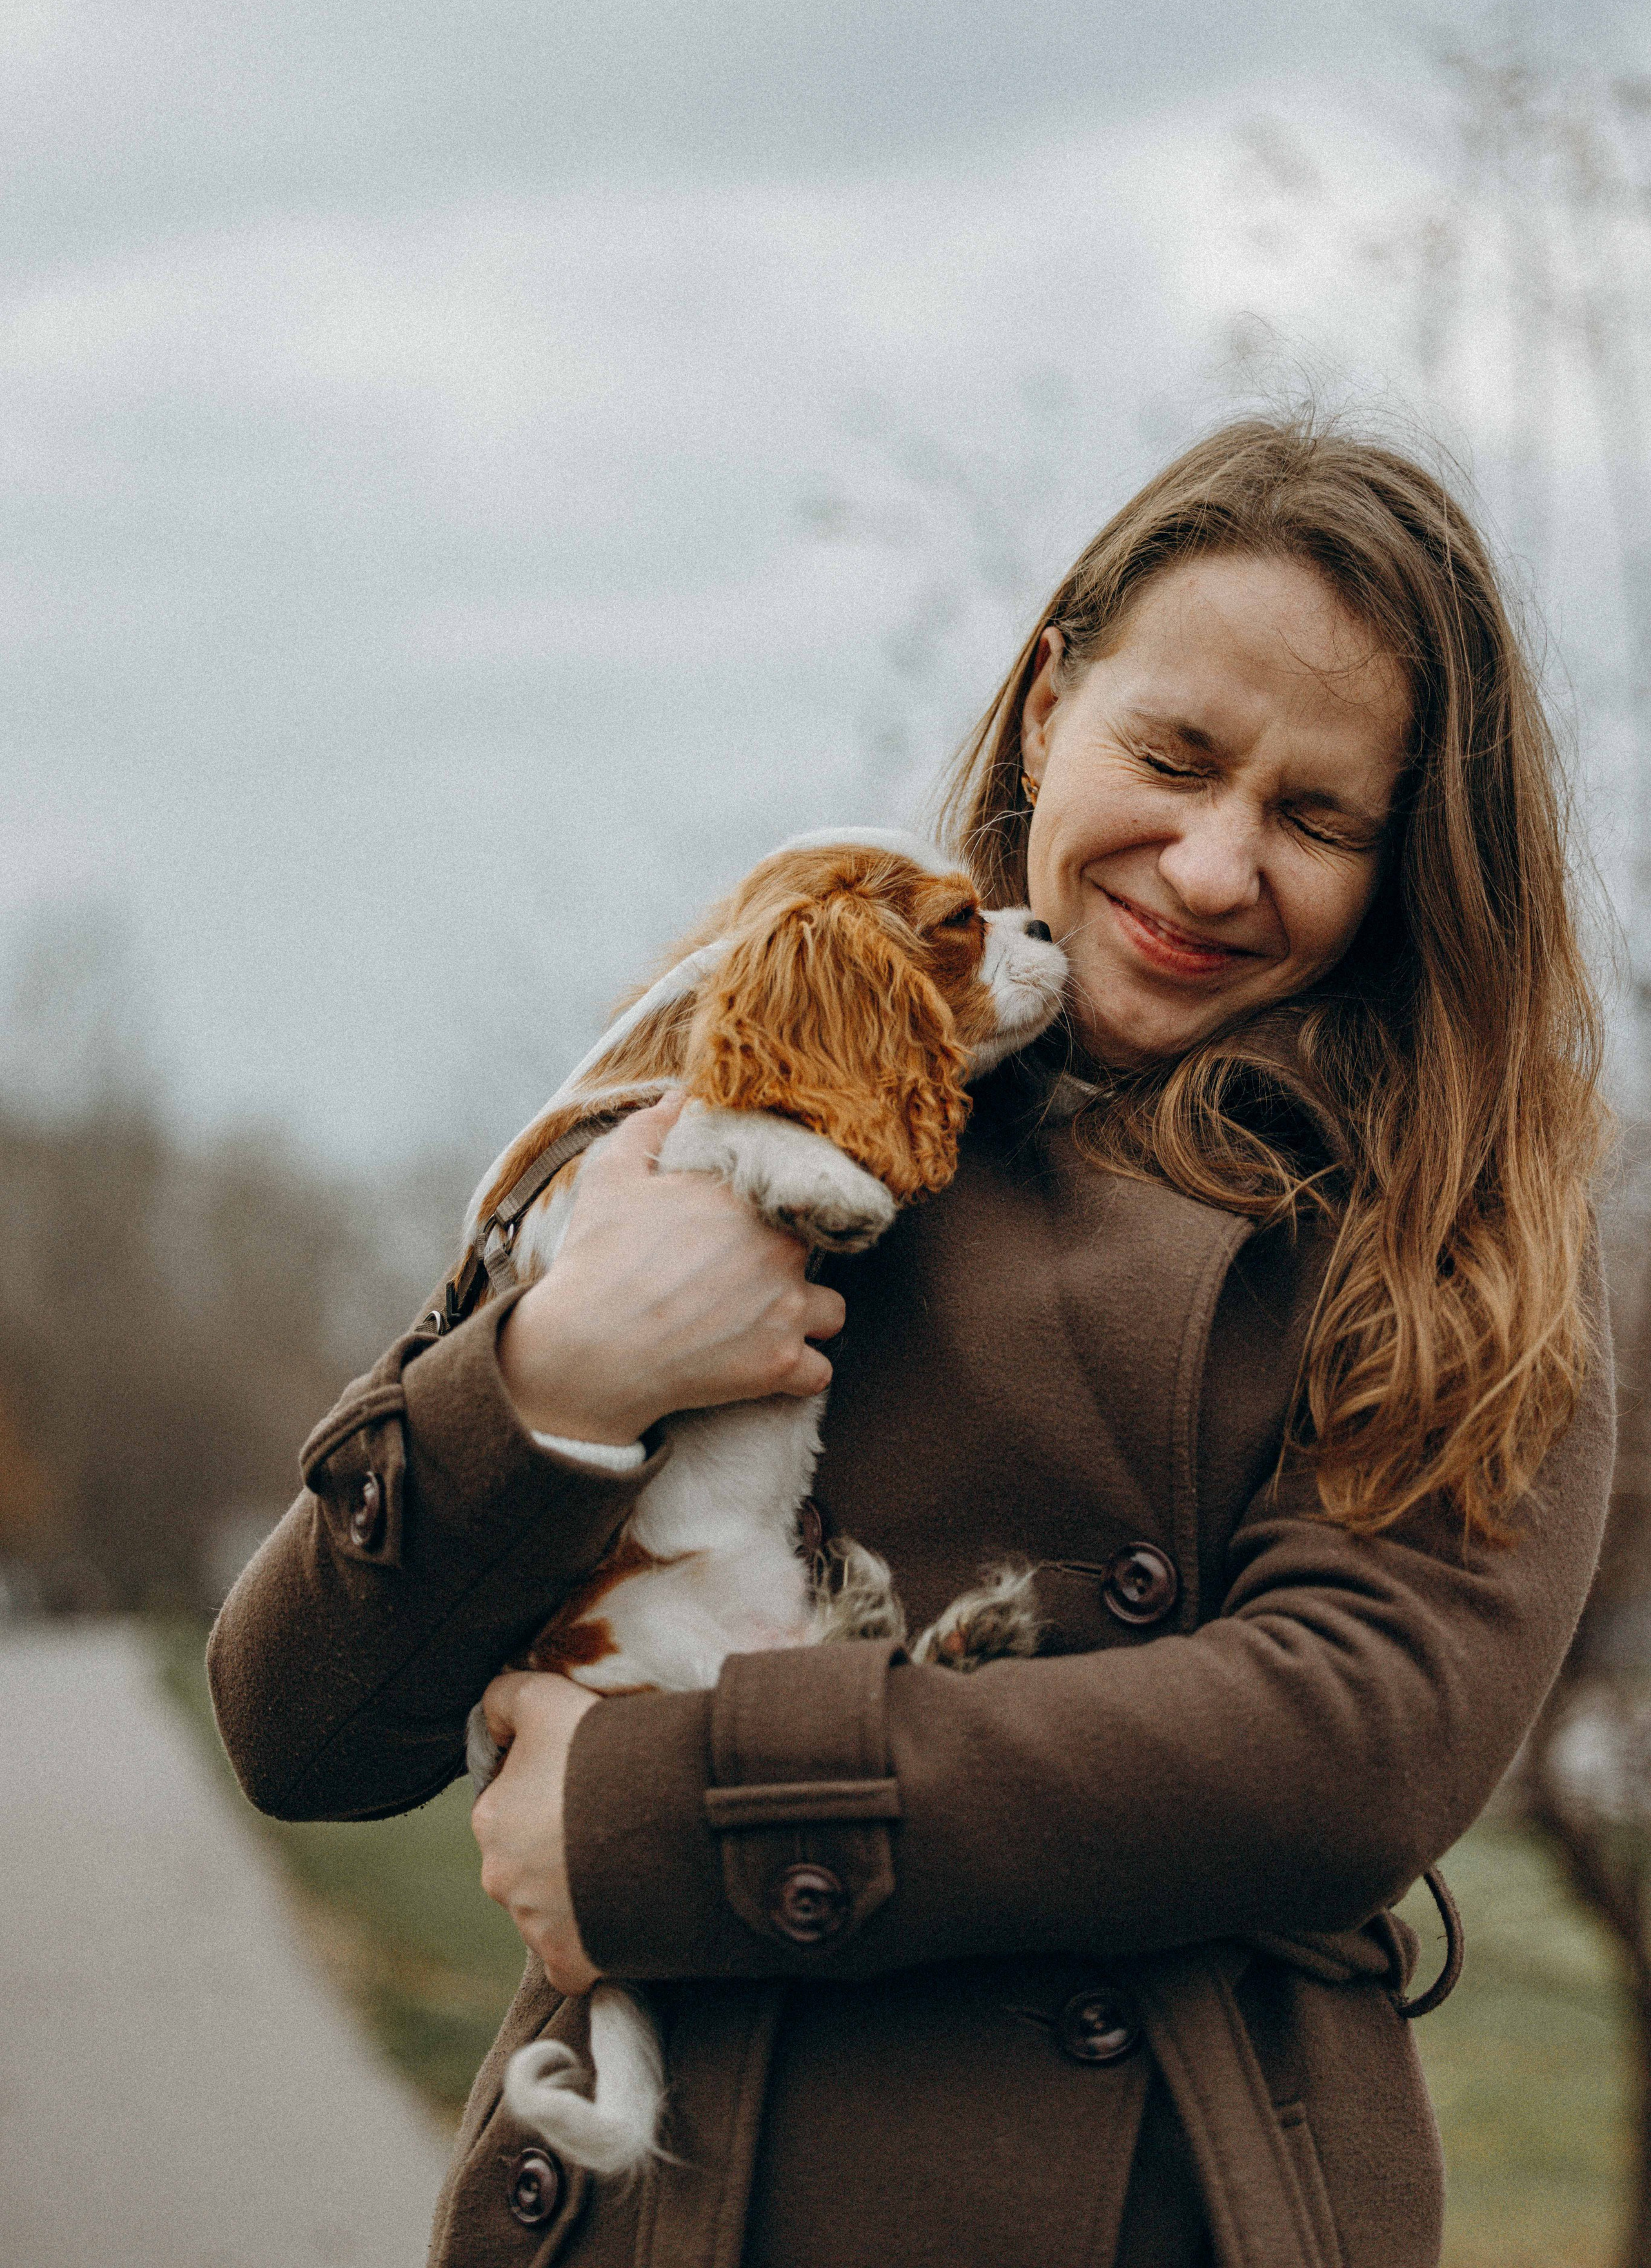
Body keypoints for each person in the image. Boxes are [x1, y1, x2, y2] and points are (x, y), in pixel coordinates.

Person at [209, 414, 1614, 2268]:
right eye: (1172, 758)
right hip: (671, 2202)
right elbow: (294, 1719)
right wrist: (562, 1374)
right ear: (1047, 707)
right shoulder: (760, 1059)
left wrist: (667, 1820)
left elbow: (1346, 1740)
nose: (1208, 868)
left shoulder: (1453, 1237)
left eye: (1315, 817)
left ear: (1414, 858)